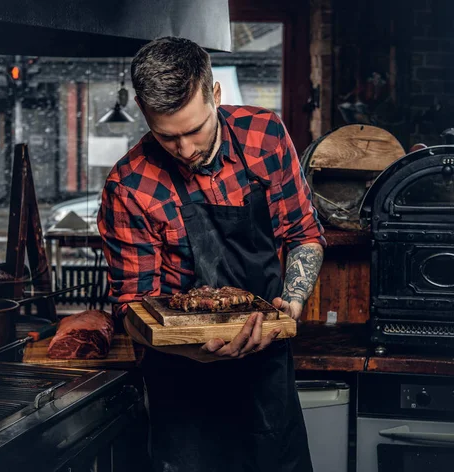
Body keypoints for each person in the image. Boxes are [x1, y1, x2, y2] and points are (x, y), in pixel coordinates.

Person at [97, 37, 326, 472]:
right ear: (146, 116)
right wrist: (192, 350)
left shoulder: (266, 136)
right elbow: (132, 307)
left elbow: (304, 236)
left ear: (215, 94)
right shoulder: (128, 185)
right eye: (167, 137)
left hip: (266, 371)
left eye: (193, 130)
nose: (185, 150)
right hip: (184, 389)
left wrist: (290, 306)